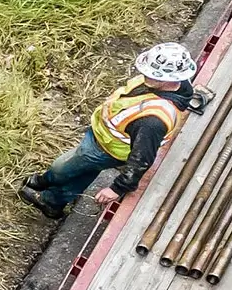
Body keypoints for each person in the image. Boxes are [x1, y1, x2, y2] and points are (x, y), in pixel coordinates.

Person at [21, 42, 200, 218]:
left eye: (154, 75)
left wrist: (117, 188)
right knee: (84, 172)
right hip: (104, 138)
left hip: (106, 148)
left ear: (171, 79)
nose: (146, 76)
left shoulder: (152, 121)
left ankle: (47, 187)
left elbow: (142, 159)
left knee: (63, 167)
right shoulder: (173, 84)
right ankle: (53, 202)